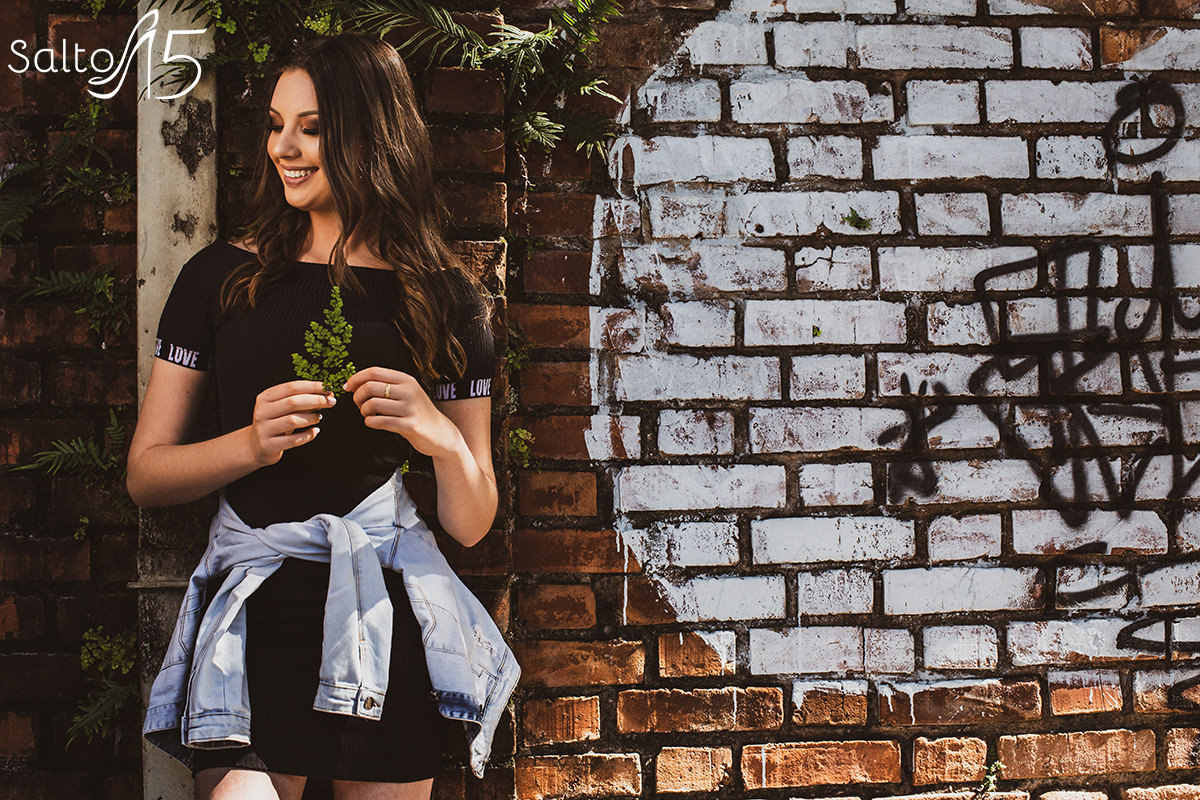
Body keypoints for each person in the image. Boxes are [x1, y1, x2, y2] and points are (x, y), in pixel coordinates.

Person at [129, 33, 518, 800]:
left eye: (311, 128)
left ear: (372, 136)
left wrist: (438, 436)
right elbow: (146, 474)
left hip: (383, 619)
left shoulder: (447, 300)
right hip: (254, 620)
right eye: (277, 126)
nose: (284, 148)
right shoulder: (220, 277)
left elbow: (471, 525)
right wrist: (249, 444)